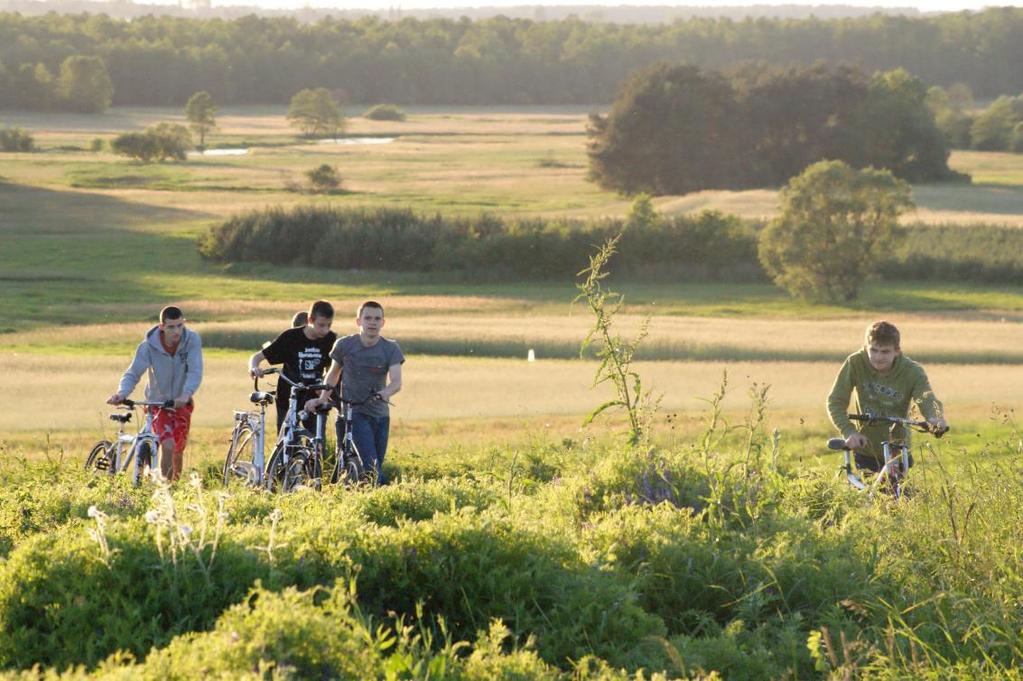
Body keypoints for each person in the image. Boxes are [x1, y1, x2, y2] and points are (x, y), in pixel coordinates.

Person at [827, 320, 948, 473]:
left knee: (899, 494)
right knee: (867, 494)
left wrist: (935, 418)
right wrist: (849, 431)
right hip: (865, 448)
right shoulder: (855, 362)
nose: (878, 357)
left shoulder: (912, 371)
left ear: (897, 351)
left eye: (885, 352)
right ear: (866, 348)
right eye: (874, 350)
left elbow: (927, 399)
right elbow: (835, 401)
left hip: (898, 449)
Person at [306, 301, 403, 485]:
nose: (372, 322)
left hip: (380, 414)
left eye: (377, 318)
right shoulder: (344, 345)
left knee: (374, 467)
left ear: (383, 322)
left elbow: (396, 382)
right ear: (358, 321)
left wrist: (385, 393)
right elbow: (333, 375)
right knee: (372, 468)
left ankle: (368, 502)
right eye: (368, 318)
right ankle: (391, 498)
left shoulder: (391, 348)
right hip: (353, 413)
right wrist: (322, 399)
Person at [108, 305, 203, 481]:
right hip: (157, 404)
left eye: (180, 326)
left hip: (181, 403)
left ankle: (174, 489)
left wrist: (185, 395)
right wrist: (121, 393)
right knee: (168, 445)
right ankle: (164, 492)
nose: (177, 331)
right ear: (162, 327)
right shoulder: (148, 347)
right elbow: (133, 373)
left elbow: (195, 371)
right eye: (171, 327)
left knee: (178, 451)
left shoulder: (192, 340)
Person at [249, 300, 336, 433]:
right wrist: (254, 367)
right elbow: (257, 357)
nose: (325, 330)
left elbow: (333, 369)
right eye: (321, 325)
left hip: (313, 396)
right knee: (286, 439)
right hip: (288, 395)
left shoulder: (330, 339)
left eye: (329, 325)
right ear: (310, 320)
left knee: (317, 439)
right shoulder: (290, 337)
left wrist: (324, 384)